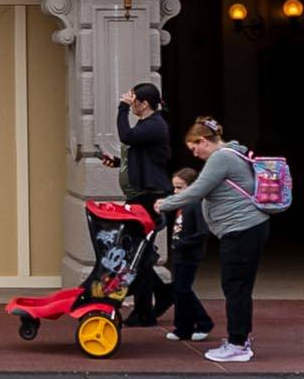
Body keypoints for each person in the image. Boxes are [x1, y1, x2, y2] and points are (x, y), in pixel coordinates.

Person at [151, 117, 270, 364]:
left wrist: (166, 204)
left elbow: (197, 189)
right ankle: (240, 339)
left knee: (235, 287)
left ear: (203, 140)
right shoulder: (232, 154)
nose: (195, 154)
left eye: (195, 147)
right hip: (246, 229)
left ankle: (238, 345)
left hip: (241, 230)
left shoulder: (221, 157)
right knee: (239, 287)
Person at [112, 83, 173, 323]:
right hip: (142, 194)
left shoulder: (155, 125)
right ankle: (159, 296)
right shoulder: (148, 125)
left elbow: (126, 136)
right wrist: (117, 162)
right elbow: (141, 155)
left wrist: (121, 109)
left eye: (133, 100)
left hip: (149, 196)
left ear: (143, 104)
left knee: (139, 253)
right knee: (139, 252)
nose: (131, 103)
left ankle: (145, 310)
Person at [161, 166, 215, 344]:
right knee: (179, 290)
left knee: (183, 289)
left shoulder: (196, 204)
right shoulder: (182, 205)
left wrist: (184, 243)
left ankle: (203, 323)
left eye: (180, 187)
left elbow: (203, 231)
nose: (175, 191)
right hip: (180, 253)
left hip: (189, 254)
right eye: (174, 187)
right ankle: (183, 327)